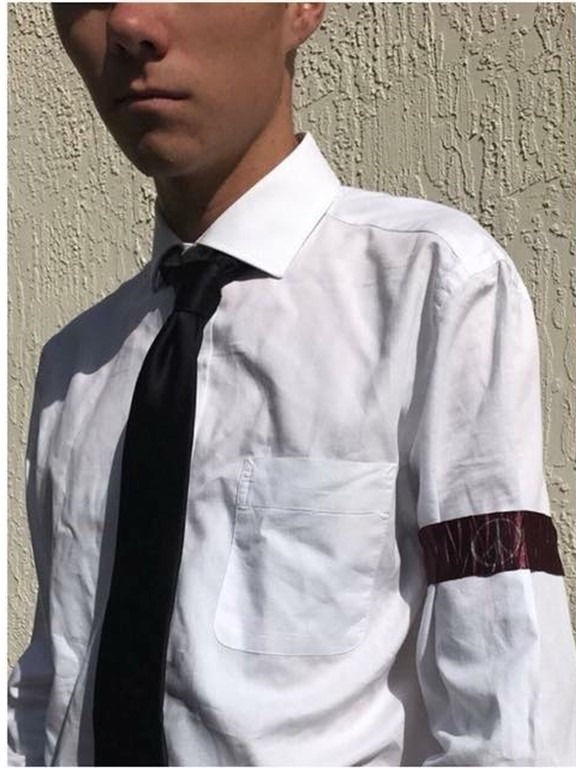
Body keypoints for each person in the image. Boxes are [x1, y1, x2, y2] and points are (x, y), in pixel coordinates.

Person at [8, 3, 576, 766]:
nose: (130, 23)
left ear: (302, 8)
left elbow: (510, 700)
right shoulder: (77, 366)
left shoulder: (432, 289)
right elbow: (55, 682)